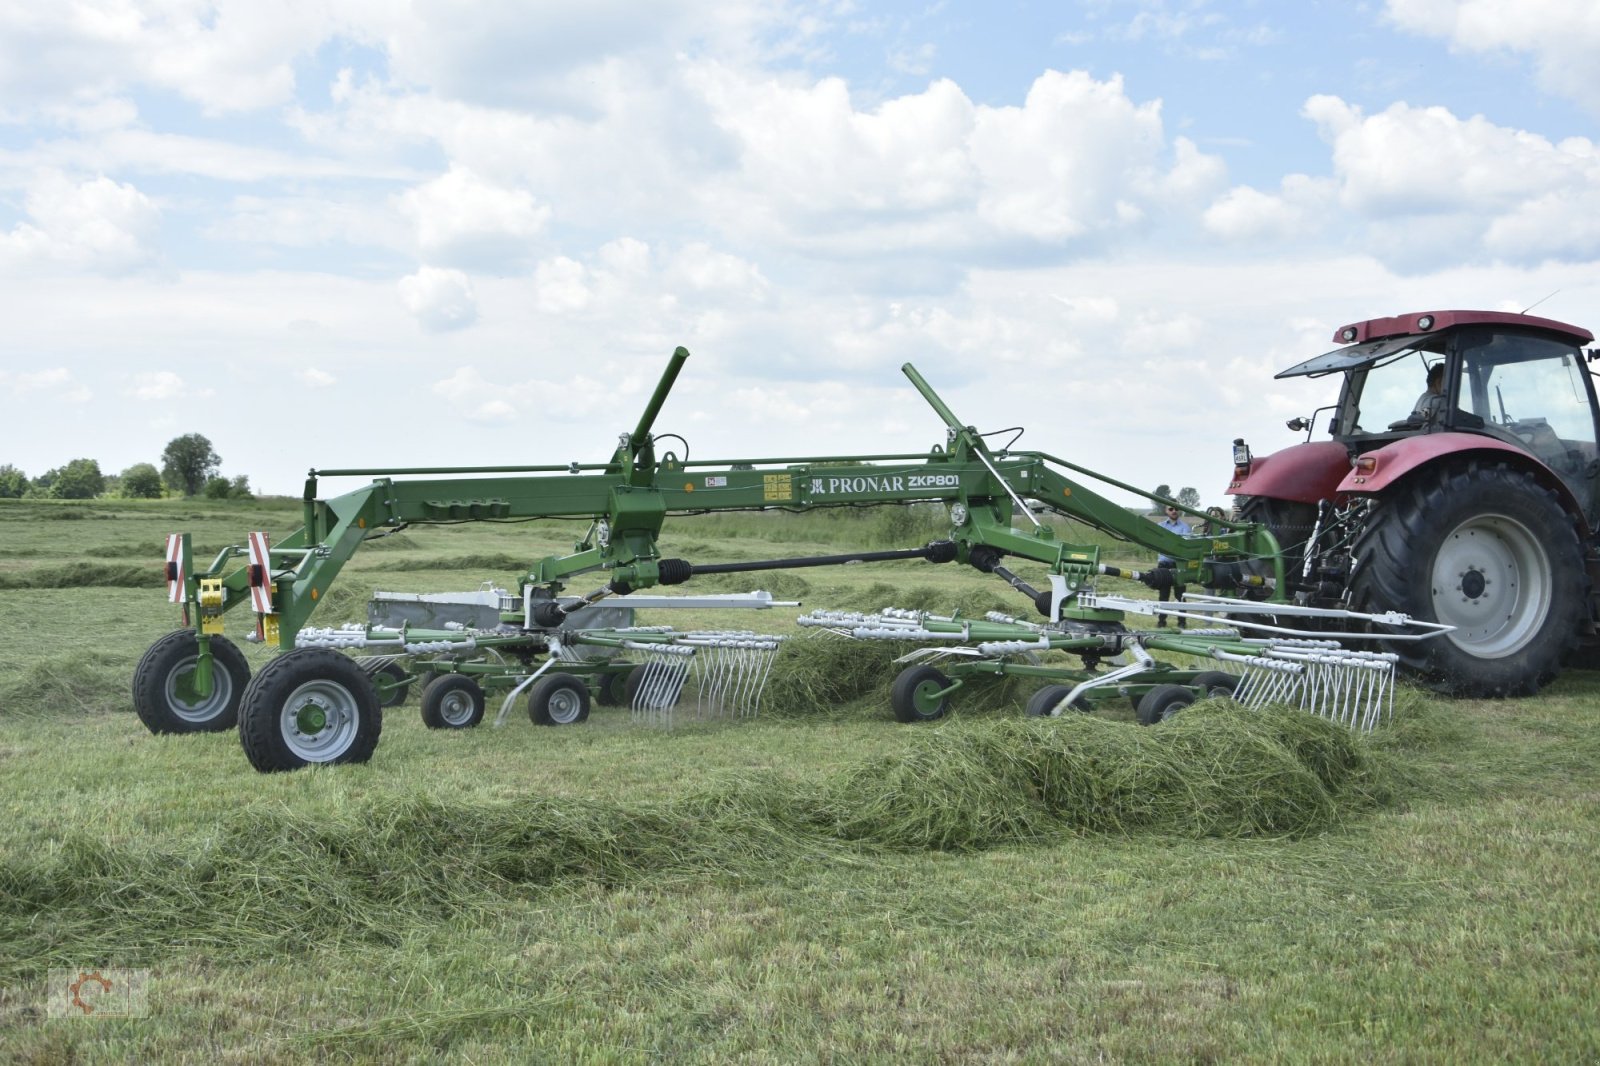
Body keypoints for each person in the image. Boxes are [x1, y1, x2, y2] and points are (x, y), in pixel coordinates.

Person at [1155, 505, 1190, 629]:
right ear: (1166, 511)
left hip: (1178, 564)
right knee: (1163, 595)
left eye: (1176, 509)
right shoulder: (1160, 527)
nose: (1174, 511)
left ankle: (1182, 622)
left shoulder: (1185, 527)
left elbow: (1185, 545)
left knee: (1180, 595)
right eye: (1171, 509)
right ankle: (1161, 621)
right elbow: (1157, 542)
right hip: (1164, 564)